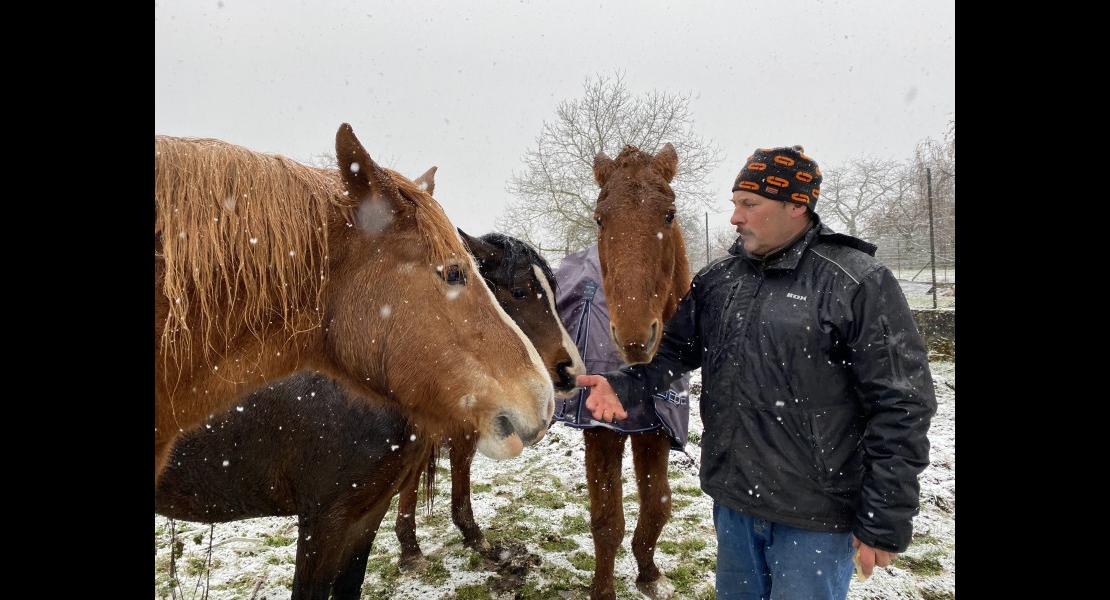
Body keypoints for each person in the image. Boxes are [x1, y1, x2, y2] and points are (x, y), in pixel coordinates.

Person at [576, 145, 937, 600]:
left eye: (749, 204)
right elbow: (674, 354)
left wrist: (885, 517)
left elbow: (901, 403)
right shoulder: (720, 280)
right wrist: (623, 383)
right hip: (736, 508)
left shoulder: (856, 281)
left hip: (816, 520)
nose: (735, 217)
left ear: (796, 205)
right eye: (734, 204)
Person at [552, 243, 690, 448]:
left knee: (646, 449)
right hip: (606, 382)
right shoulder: (588, 267)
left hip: (627, 375)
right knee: (604, 447)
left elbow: (681, 349)